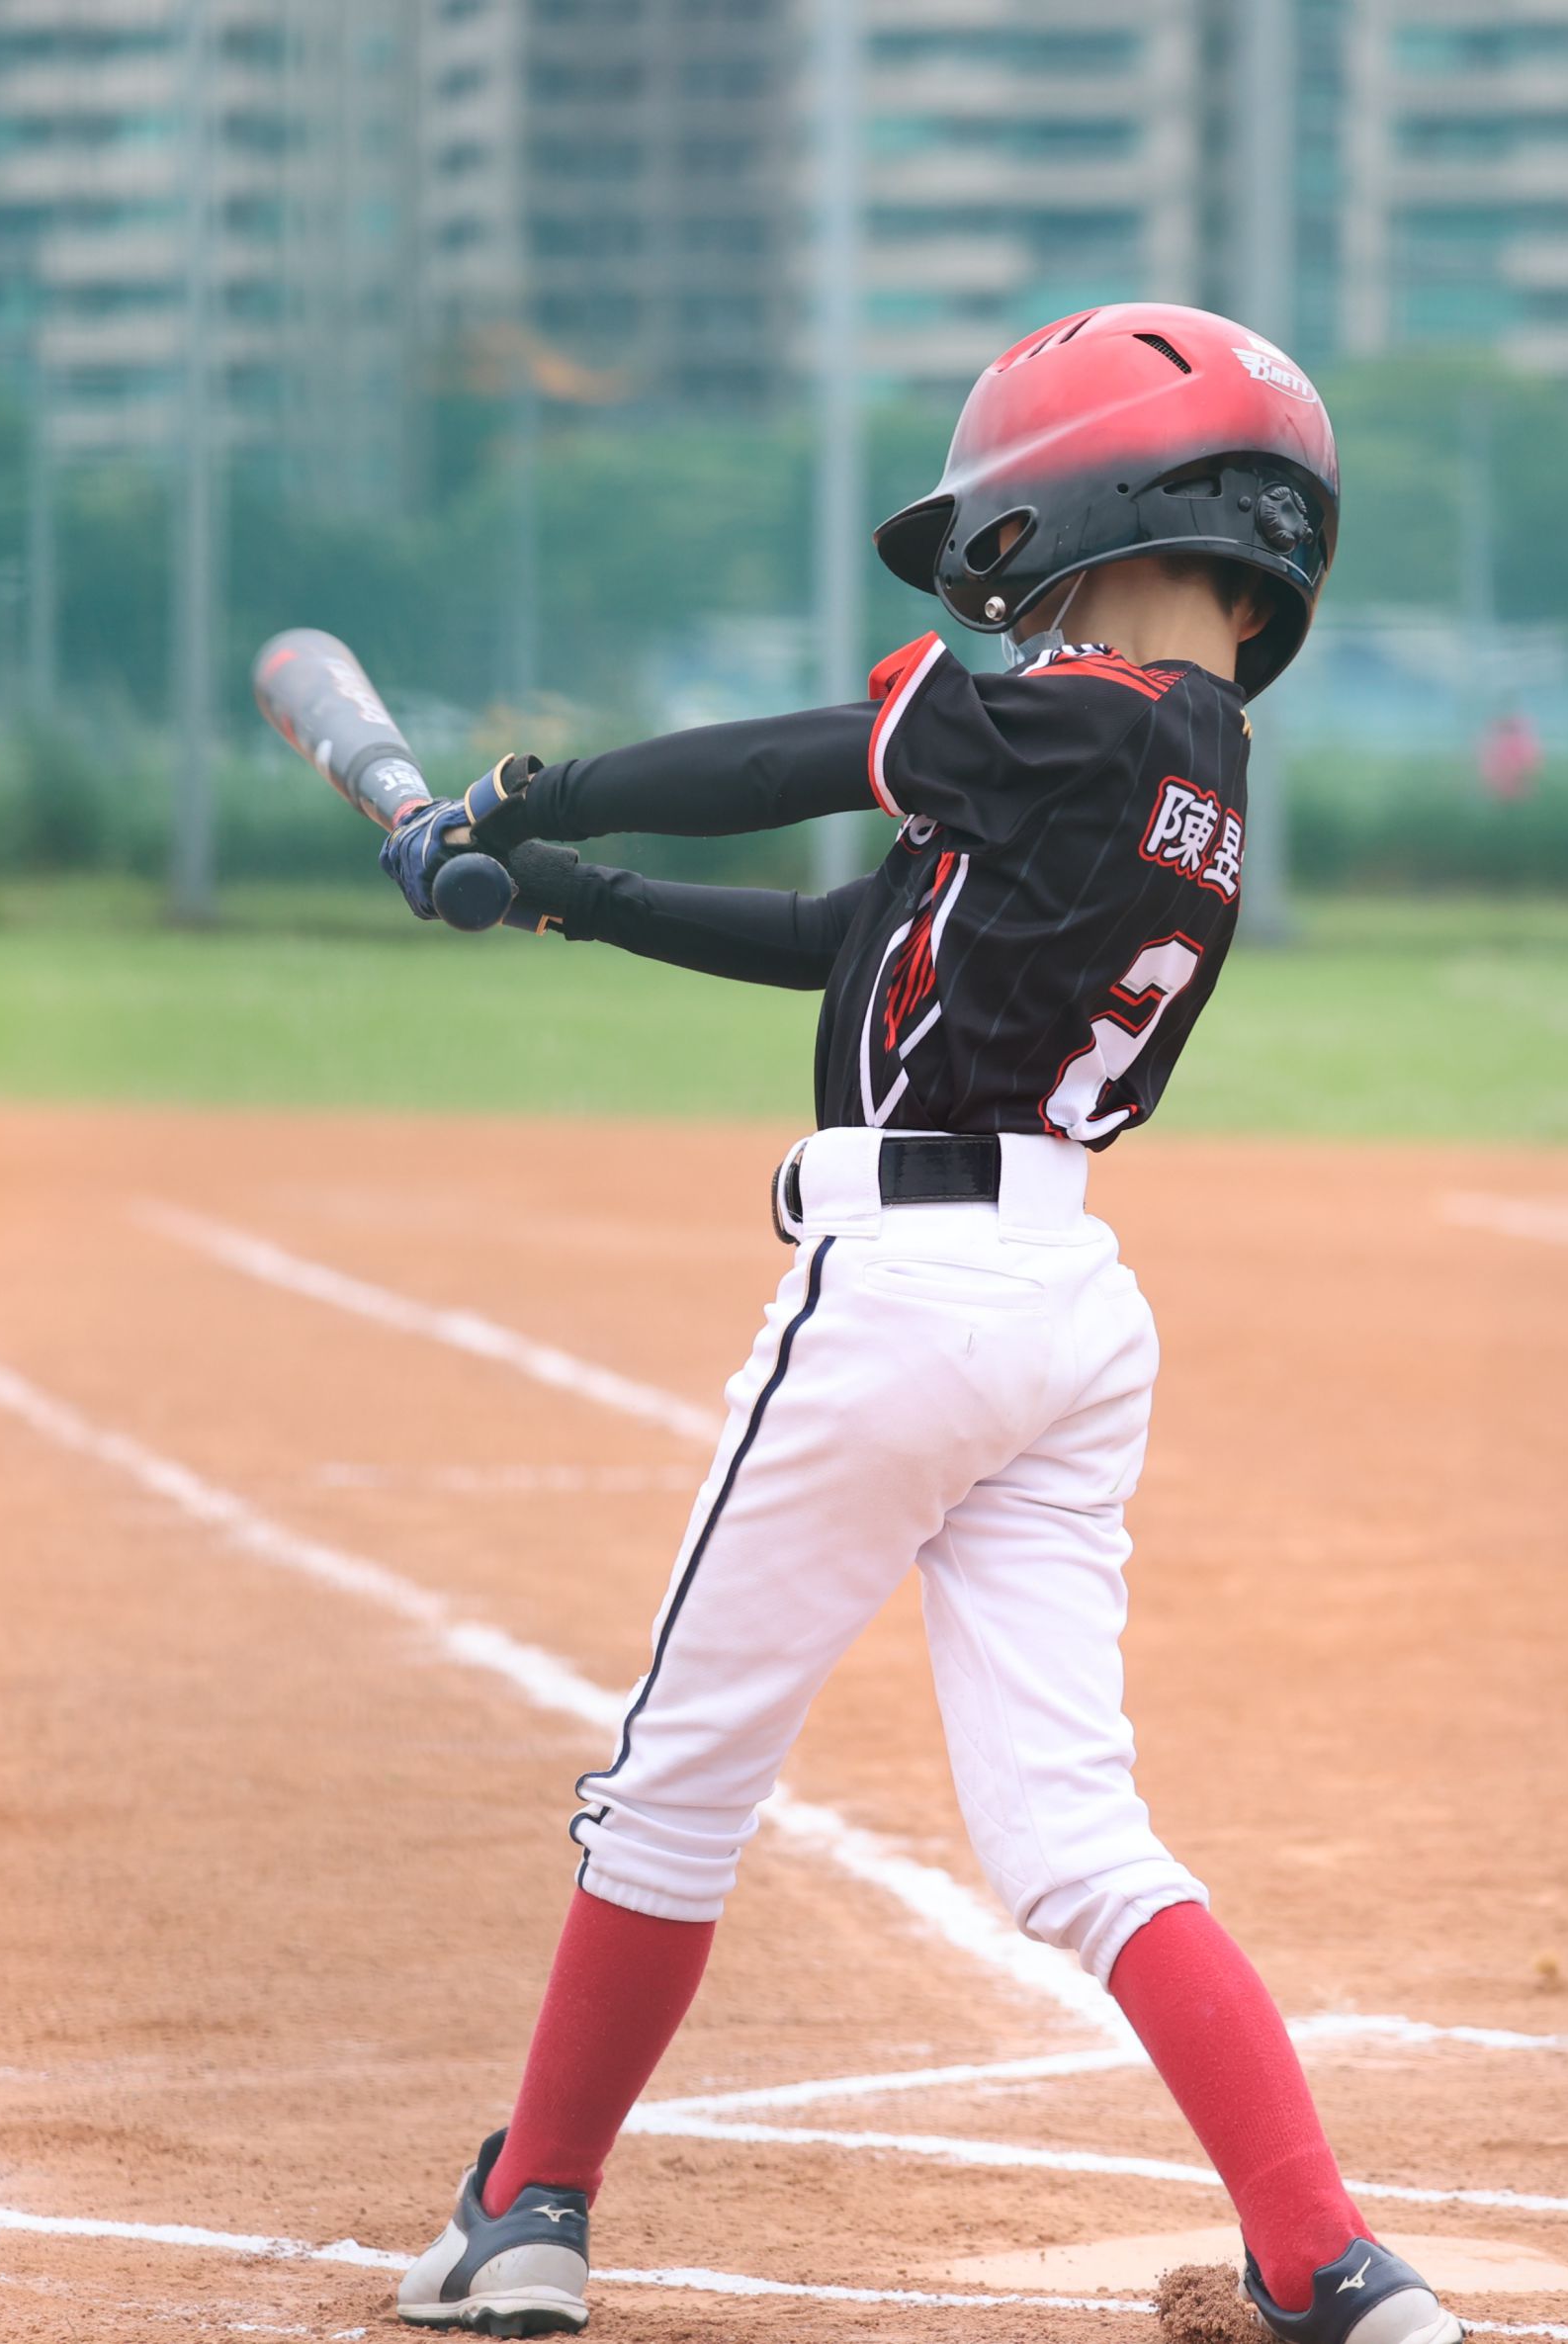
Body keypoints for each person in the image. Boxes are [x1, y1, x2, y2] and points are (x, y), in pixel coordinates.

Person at [370, 306, 1457, 2344]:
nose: (1012, 604)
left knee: (669, 1791)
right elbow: (840, 934)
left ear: (1107, 502)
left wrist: (520, 791)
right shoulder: (1184, 770)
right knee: (1075, 1835)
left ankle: (528, 2208)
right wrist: (562, 891)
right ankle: (1327, 2256)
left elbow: (789, 759)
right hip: (1067, 1314)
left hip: (901, 1297)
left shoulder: (1068, 721)